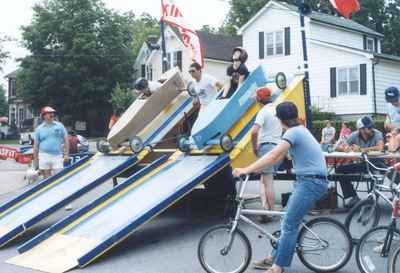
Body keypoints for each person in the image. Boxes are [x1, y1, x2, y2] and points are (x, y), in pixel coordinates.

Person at [233, 101, 328, 273]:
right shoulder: (299, 130)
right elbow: (276, 158)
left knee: (289, 225)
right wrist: (257, 169)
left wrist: (247, 169)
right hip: (309, 181)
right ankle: (273, 258)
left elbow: (273, 155)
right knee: (286, 221)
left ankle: (278, 267)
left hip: (311, 182)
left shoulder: (293, 132)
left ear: (279, 119)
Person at [335, 116, 384, 208]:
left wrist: (361, 149)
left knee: (378, 172)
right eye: (369, 128)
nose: (371, 129)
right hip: (363, 163)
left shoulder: (377, 133)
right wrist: (345, 148)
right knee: (339, 170)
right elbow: (339, 146)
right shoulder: (354, 135)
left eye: (372, 127)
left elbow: (380, 147)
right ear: (361, 129)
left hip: (376, 163)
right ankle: (353, 197)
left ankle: (371, 198)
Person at [251, 87, 282, 223]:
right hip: (278, 147)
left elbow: (254, 132)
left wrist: (254, 147)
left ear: (259, 99)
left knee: (268, 181)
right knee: (264, 179)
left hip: (266, 147)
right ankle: (264, 207)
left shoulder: (263, 112)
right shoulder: (278, 110)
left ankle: (271, 211)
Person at [33, 106, 69, 179]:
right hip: (44, 155)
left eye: (52, 113)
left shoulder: (60, 126)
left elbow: (66, 140)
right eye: (49, 113)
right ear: (44, 115)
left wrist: (66, 154)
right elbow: (36, 146)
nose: (52, 114)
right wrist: (36, 161)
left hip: (57, 155)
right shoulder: (39, 129)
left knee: (59, 178)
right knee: (47, 180)